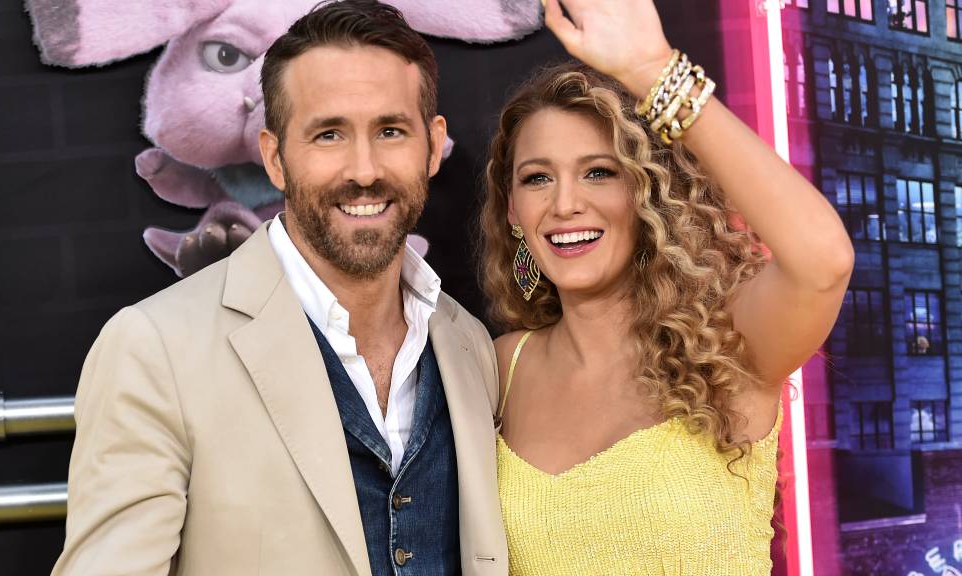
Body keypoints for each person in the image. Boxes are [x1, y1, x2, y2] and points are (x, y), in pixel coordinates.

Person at [52, 2, 507, 575]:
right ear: (274, 158)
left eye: (390, 131)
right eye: (328, 134)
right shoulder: (153, 349)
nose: (364, 170)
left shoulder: (468, 344)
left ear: (433, 145)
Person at [480, 0, 854, 574]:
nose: (564, 203)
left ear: (647, 192)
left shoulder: (727, 344)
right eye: (537, 178)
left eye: (599, 172)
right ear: (513, 211)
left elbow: (823, 261)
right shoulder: (500, 369)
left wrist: (655, 71)